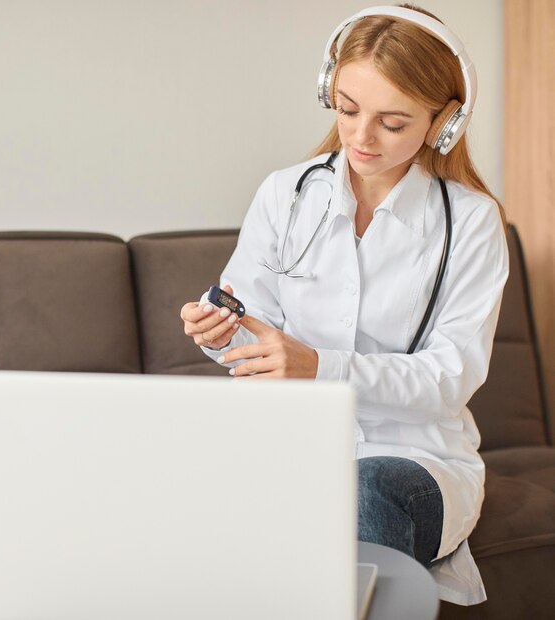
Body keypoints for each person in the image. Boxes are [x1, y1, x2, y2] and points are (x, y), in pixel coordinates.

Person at [180, 3, 508, 606]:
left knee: (362, 491)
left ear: (444, 123)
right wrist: (222, 334)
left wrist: (319, 366)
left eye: (393, 121)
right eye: (348, 108)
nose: (360, 136)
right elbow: (257, 340)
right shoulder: (285, 195)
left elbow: (449, 379)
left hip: (413, 460)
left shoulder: (472, 223)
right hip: (289, 443)